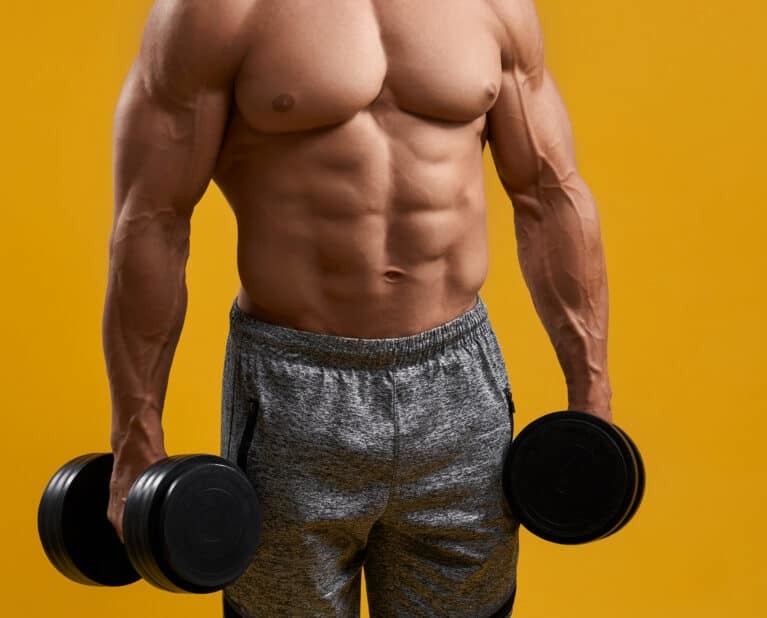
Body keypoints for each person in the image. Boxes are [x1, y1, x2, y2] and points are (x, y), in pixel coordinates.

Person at [102, 0, 611, 615]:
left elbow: (549, 195)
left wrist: (591, 397)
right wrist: (136, 436)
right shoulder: (216, 13)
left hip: (458, 385)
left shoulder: (493, 7)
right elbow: (153, 220)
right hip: (292, 395)